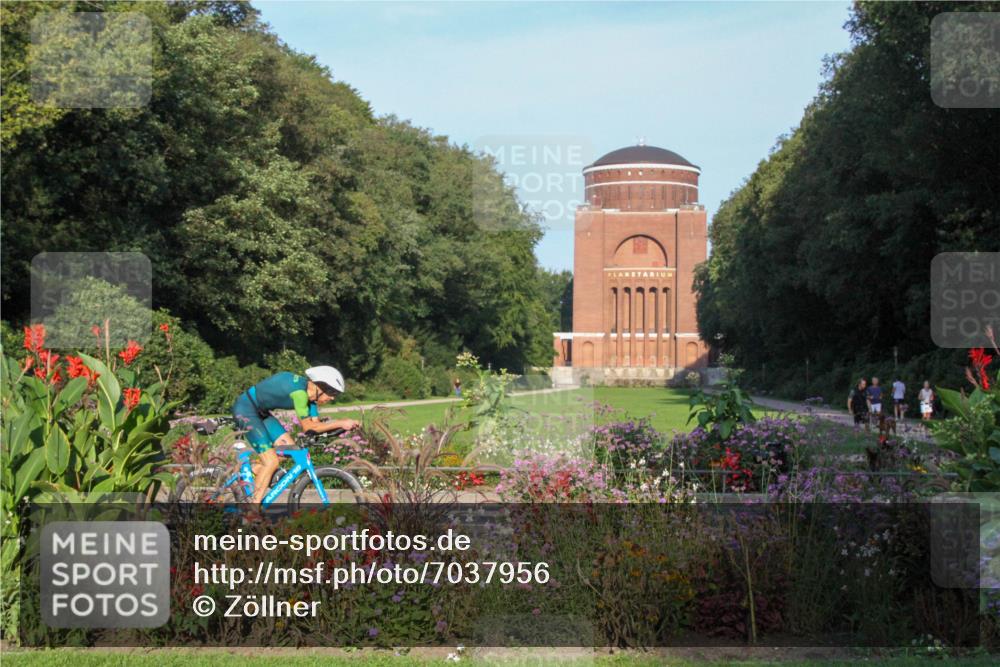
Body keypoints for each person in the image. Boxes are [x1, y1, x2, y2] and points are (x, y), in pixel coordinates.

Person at [232, 366, 359, 505]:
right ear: (319, 386)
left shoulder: (311, 400)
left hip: (261, 412)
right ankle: (251, 511)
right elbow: (309, 427)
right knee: (271, 462)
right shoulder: (300, 394)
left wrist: (340, 427)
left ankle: (249, 471)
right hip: (246, 409)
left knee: (289, 449)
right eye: (331, 392)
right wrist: (341, 422)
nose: (333, 397)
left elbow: (315, 427)